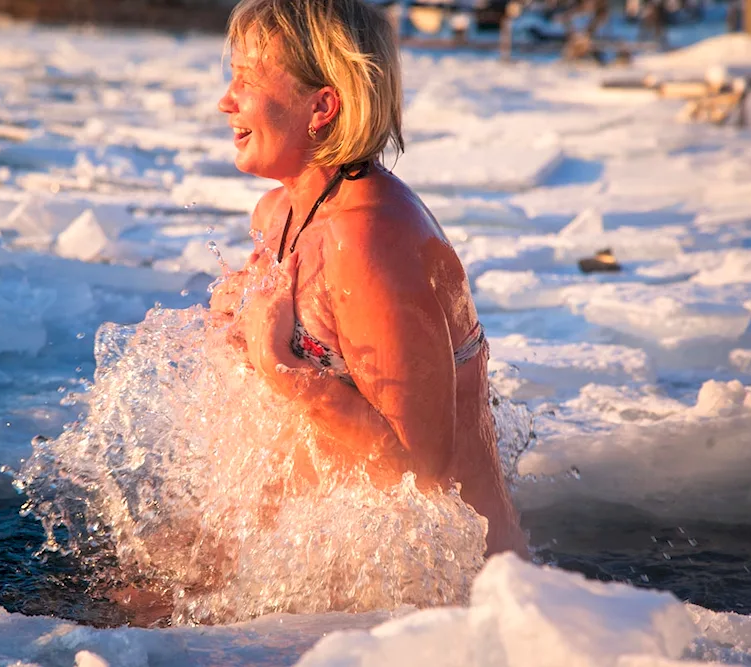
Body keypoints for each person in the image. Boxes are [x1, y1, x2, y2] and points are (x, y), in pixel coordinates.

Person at [209, 0, 527, 557]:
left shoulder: (369, 237)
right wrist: (234, 333)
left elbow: (423, 480)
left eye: (245, 79)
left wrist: (281, 369)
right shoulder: (277, 214)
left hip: (450, 590)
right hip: (325, 552)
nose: (225, 100)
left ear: (322, 105)